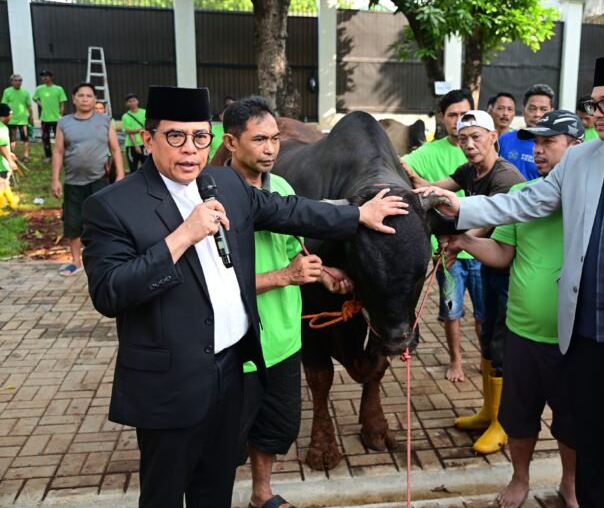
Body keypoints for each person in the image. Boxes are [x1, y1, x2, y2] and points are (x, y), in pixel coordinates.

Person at [417, 56, 604, 507]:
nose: (595, 114)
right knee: (592, 444)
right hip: (586, 336)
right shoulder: (582, 158)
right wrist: (461, 207)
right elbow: (527, 201)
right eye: (593, 104)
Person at [81, 86, 407, 508]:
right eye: (175, 136)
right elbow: (110, 292)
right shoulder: (112, 206)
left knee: (215, 485)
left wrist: (358, 214)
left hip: (232, 368)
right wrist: (182, 237)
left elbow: (290, 211)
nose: (190, 149)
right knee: (165, 491)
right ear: (148, 138)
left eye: (200, 137)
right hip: (172, 380)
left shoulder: (223, 183)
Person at [443, 109, 584, 508]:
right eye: (535, 142)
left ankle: (570, 483)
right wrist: (465, 242)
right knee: (519, 417)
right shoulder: (523, 195)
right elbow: (503, 253)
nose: (537, 151)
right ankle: (519, 479)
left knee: (572, 420)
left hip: (574, 336)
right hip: (522, 331)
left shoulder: (594, 201)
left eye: (548, 142)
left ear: (577, 147)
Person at [222, 96, 352, 508]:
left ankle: (261, 493)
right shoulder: (212, 198)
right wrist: (284, 277)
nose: (271, 149)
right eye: (259, 139)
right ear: (230, 142)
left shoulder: (281, 187)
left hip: (283, 339)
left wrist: (324, 273)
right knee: (224, 440)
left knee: (275, 427)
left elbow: (293, 249)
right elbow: (210, 284)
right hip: (236, 345)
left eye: (275, 138)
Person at [406, 110, 525, 453]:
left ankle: (503, 423)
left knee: (502, 343)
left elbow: (486, 223)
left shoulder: (506, 177)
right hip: (489, 265)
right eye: (463, 139)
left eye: (476, 137)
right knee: (487, 338)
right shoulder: (469, 171)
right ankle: (489, 411)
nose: (469, 145)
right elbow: (437, 190)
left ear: (493, 137)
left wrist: (456, 243)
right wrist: (409, 178)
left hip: (509, 270)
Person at [401, 88, 485, 383]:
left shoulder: (483, 149)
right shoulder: (429, 152)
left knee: (485, 312)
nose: (458, 121)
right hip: (448, 249)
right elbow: (402, 165)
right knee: (452, 311)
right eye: (452, 115)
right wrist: (416, 179)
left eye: (464, 114)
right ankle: (456, 361)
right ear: (442, 118)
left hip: (483, 246)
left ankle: (486, 360)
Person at [51, 82, 124, 276]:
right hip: (73, 182)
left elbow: (115, 149)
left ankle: (103, 260)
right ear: (74, 99)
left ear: (94, 100)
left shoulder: (105, 121)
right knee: (72, 222)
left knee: (102, 222)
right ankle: (76, 262)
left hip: (98, 181)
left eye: (89, 96)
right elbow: (58, 151)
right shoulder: (64, 123)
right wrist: (55, 179)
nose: (85, 99)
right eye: (81, 95)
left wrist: (120, 174)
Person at [498, 84, 555, 180]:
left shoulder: (555, 147)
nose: (537, 114)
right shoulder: (504, 139)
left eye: (543, 110)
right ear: (523, 110)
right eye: (532, 109)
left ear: (551, 112)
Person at [33, 69, 67, 163]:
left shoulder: (58, 89)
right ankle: (48, 156)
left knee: (59, 138)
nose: (44, 78)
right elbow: (34, 98)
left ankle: (61, 155)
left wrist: (61, 115)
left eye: (46, 76)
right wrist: (40, 104)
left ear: (51, 77)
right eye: (42, 76)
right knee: (45, 138)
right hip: (45, 118)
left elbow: (62, 103)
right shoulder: (39, 89)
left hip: (56, 118)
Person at [1, 74, 33, 162]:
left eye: (20, 80)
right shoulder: (7, 91)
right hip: (11, 120)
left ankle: (26, 156)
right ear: (11, 82)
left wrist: (31, 116)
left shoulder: (25, 92)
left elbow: (29, 105)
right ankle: (12, 155)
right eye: (15, 80)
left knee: (25, 138)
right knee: (12, 139)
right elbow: (4, 105)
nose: (18, 82)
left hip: (23, 120)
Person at [0, 104, 20, 210]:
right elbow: (1, 146)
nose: (12, 116)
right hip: (1, 165)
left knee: (5, 183)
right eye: (11, 114)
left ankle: (11, 201)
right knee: (1, 184)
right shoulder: (2, 128)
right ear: (6, 115)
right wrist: (10, 161)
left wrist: (10, 153)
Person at [121, 93, 147, 174]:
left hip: (144, 143)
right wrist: (136, 145)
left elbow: (147, 127)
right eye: (130, 101)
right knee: (133, 168)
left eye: (134, 100)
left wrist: (134, 130)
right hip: (131, 145)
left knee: (147, 167)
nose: (132, 103)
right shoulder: (125, 116)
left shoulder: (144, 112)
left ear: (138, 101)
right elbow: (128, 132)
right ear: (127, 104)